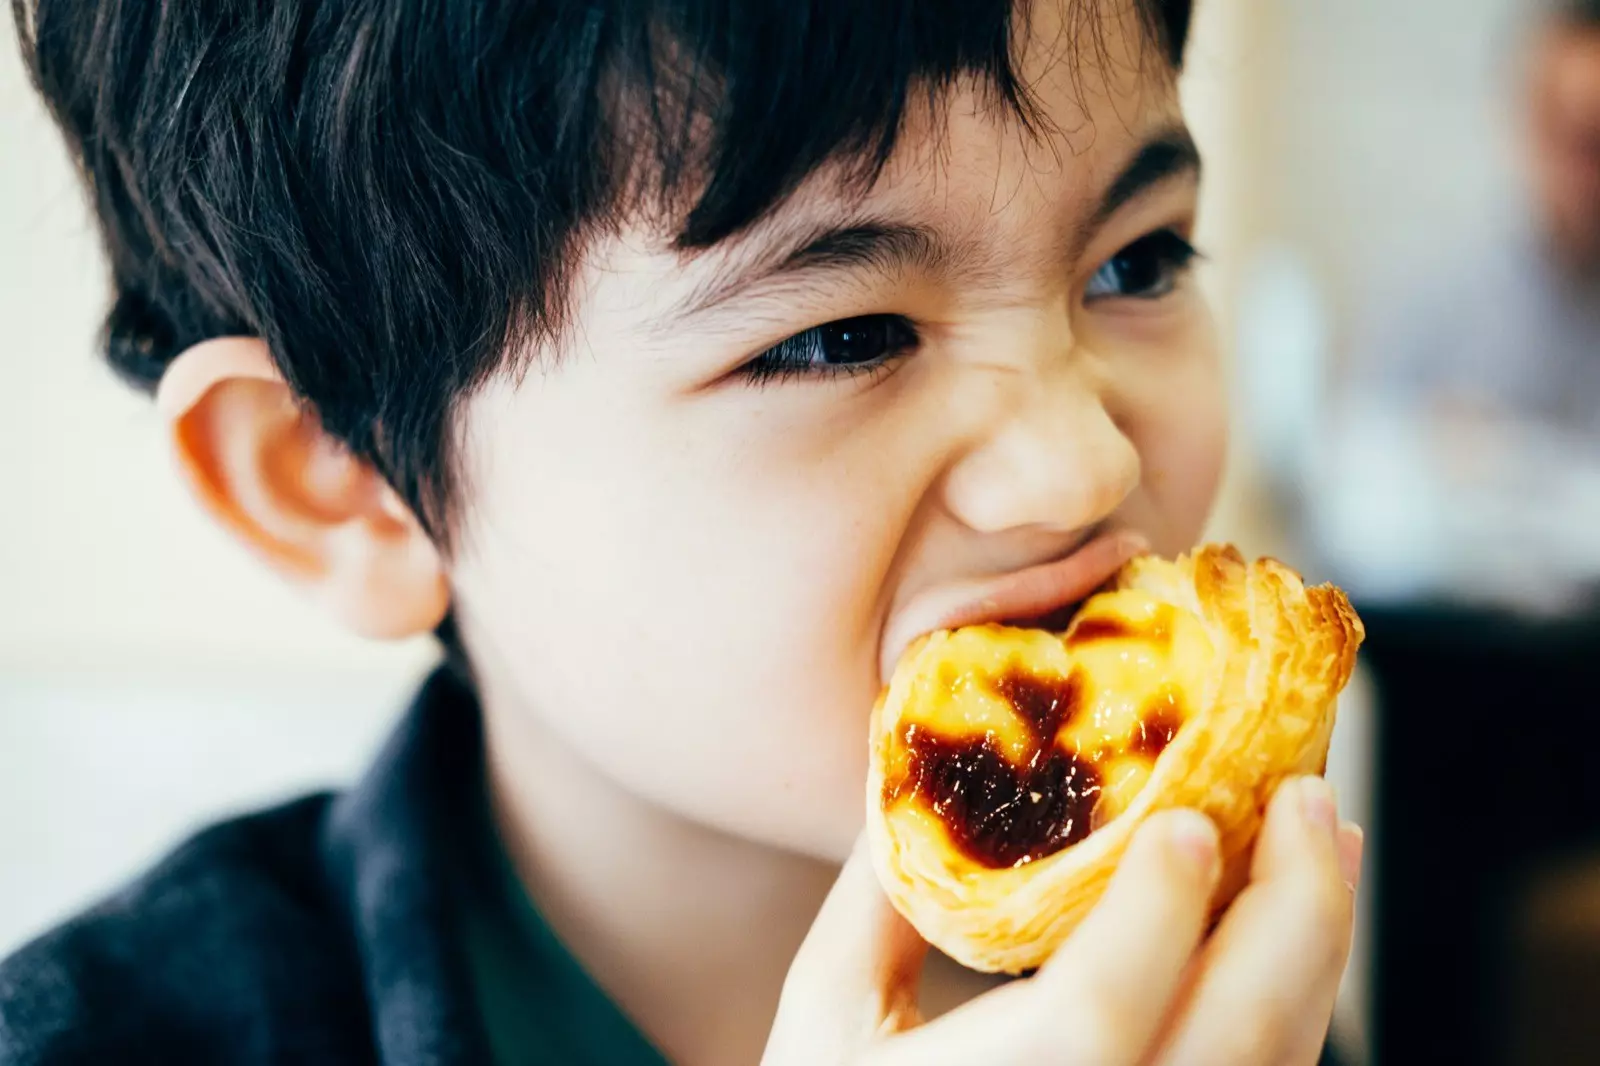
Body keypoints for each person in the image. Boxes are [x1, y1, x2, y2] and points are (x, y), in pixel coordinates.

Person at [0, 1, 1362, 1063]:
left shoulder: (1222, 980)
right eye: (842, 336)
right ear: (343, 482)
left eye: (1138, 261)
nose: (1081, 459)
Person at [1312, 0, 1600, 614]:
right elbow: (1348, 522)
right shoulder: (1430, 301)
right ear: (1529, 123)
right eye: (1581, 139)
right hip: (1459, 665)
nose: (1590, 174)